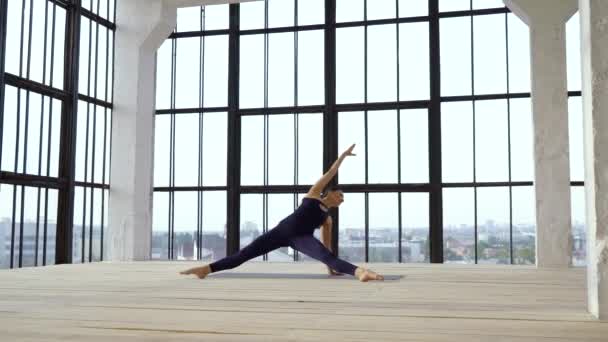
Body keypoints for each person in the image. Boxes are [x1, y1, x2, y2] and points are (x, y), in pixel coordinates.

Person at [180, 144, 384, 282]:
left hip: (300, 238)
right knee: (243, 255)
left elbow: (326, 246)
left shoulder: (327, 218)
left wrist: (331, 266)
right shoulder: (313, 195)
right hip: (279, 233)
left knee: (327, 255)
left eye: (343, 198)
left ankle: (360, 272)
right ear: (328, 193)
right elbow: (330, 173)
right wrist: (342, 157)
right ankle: (206, 269)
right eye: (339, 195)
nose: (341, 199)